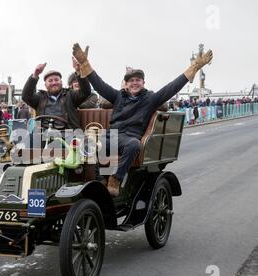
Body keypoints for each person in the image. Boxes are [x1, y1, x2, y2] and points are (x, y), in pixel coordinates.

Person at [72, 43, 213, 196]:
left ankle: (116, 179)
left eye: (138, 80)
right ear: (126, 84)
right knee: (89, 140)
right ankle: (99, 180)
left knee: (134, 144)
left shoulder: (150, 99)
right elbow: (100, 85)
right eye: (131, 80)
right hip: (111, 136)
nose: (134, 83)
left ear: (143, 83)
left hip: (130, 138)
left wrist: (194, 68)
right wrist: (85, 65)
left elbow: (172, 87)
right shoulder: (118, 96)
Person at [22, 61, 91, 129]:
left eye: (56, 80)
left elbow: (85, 92)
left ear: (61, 82)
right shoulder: (40, 97)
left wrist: (79, 71)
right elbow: (26, 96)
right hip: (43, 135)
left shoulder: (70, 95)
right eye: (50, 81)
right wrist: (35, 74)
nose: (54, 83)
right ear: (45, 85)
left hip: (67, 135)